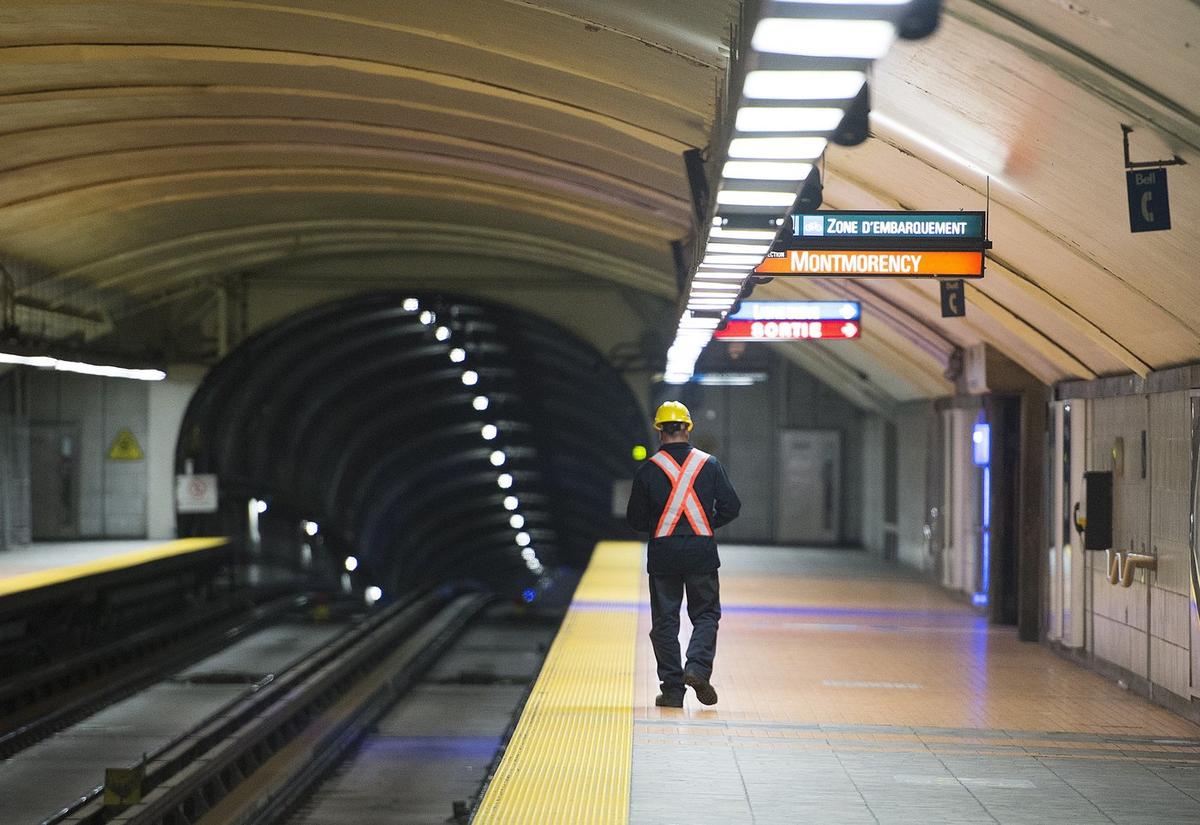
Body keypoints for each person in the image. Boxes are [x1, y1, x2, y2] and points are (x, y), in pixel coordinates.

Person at [625, 400, 741, 708]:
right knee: (706, 614)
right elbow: (732, 507)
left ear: (660, 431)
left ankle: (673, 691)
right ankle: (697, 669)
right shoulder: (710, 465)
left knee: (665, 622)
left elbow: (635, 520)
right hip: (701, 552)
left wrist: (661, 525)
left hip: (663, 554)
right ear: (688, 429)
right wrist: (704, 523)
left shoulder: (648, 470)